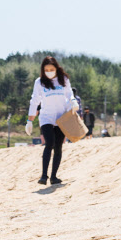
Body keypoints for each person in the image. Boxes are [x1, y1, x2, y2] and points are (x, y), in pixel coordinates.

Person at [25, 56, 79, 185]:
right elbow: (34, 101)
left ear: (56, 68)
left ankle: (54, 176)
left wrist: (73, 100)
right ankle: (44, 176)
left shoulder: (63, 79)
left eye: (51, 69)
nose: (49, 71)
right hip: (46, 117)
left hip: (62, 117)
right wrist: (30, 120)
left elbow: (69, 93)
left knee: (58, 146)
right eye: (46, 69)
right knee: (49, 143)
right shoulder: (39, 82)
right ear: (43, 70)